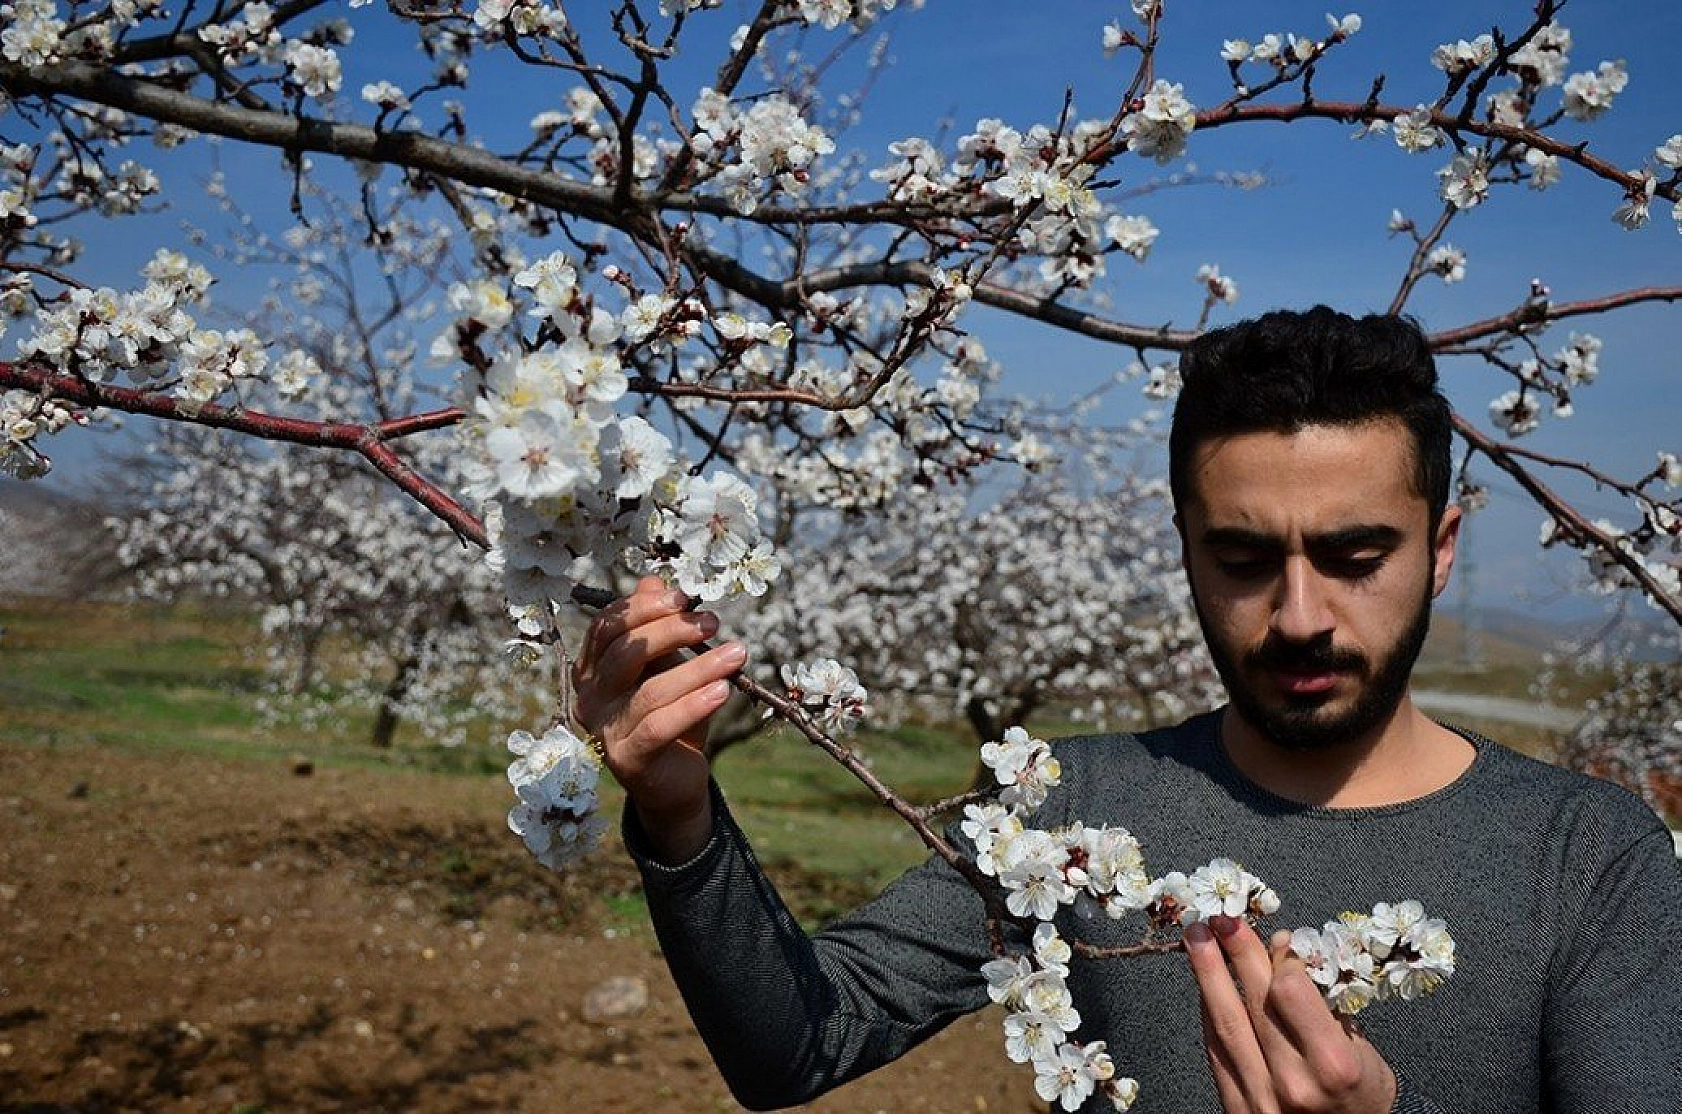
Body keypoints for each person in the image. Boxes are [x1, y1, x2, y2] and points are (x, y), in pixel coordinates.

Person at [571, 307, 1682, 1113]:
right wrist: (680, 820)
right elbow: (798, 1044)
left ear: (1438, 549)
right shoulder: (1072, 803)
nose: (1299, 614)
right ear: (1184, 549)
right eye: (1243, 557)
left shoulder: (1586, 856)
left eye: (1352, 555)